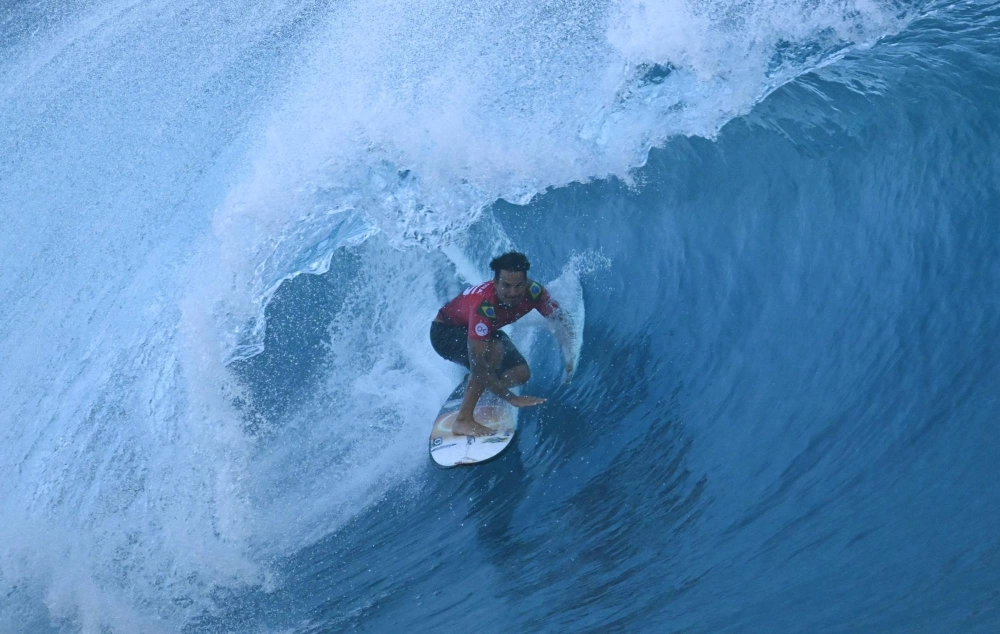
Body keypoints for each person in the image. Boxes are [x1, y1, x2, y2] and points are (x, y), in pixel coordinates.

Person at [430, 251, 574, 437]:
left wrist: (570, 355)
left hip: (482, 332)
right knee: (491, 353)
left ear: (525, 281)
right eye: (506, 285)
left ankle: (476, 386)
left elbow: (560, 318)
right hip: (445, 334)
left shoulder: (534, 292)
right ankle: (463, 420)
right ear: (495, 282)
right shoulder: (485, 306)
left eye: (518, 285)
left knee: (520, 374)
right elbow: (478, 363)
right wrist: (512, 398)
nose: (513, 293)